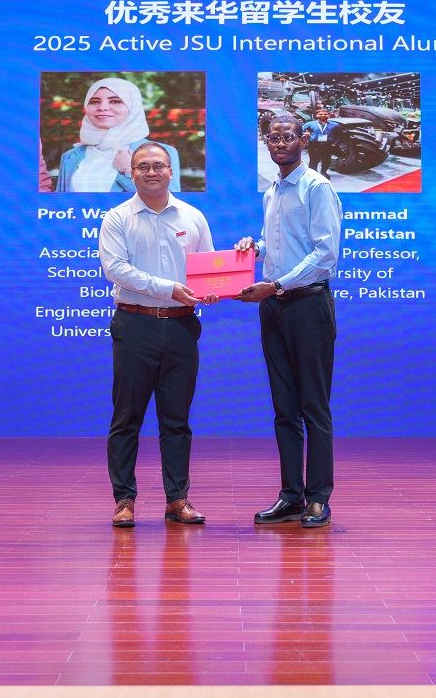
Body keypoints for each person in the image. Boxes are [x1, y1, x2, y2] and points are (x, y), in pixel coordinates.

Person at [99, 142, 219, 529]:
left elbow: (206, 269)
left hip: (182, 326)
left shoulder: (193, 216)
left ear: (171, 171)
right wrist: (167, 288)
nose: (151, 172)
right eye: (143, 166)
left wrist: (213, 290)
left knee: (177, 420)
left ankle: (177, 499)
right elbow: (115, 269)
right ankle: (124, 500)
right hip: (135, 325)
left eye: (159, 165)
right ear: (131, 173)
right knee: (127, 418)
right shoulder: (117, 218)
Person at [235, 113, 342, 529]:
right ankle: (291, 496)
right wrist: (255, 247)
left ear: (304, 140)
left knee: (313, 406)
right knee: (284, 408)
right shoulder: (272, 191)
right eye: (273, 138)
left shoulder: (317, 187)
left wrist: (276, 284)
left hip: (308, 305)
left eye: (288, 137)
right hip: (275, 306)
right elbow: (280, 242)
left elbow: (324, 254)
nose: (280, 143)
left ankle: (318, 498)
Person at [57, 77, 180, 193]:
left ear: (132, 106)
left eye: (115, 101)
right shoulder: (70, 157)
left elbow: (170, 202)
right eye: (94, 102)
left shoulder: (161, 153)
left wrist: (129, 170)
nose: (102, 107)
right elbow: (58, 202)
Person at [302, 108, 338, 177]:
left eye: (325, 114)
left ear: (329, 115)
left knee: (326, 160)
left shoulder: (335, 125)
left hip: (328, 145)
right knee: (313, 160)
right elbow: (301, 131)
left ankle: (323, 172)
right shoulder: (309, 124)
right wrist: (305, 134)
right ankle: (313, 174)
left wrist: (335, 143)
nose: (323, 115)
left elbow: (338, 135)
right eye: (320, 114)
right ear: (316, 115)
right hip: (314, 145)